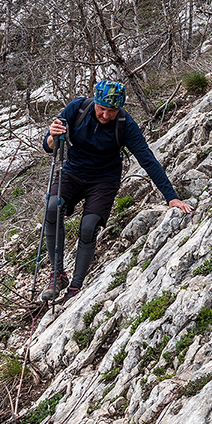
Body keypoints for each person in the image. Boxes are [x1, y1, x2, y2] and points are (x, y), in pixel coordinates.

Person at [38, 80, 193, 302]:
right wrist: (53, 136)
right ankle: (57, 275)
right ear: (95, 102)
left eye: (111, 111)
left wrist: (172, 197)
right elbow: (48, 146)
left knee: (89, 226)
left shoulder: (124, 123)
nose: (105, 115)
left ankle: (76, 285)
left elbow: (147, 159)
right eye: (102, 109)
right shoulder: (77, 108)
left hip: (103, 179)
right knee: (52, 209)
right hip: (72, 172)